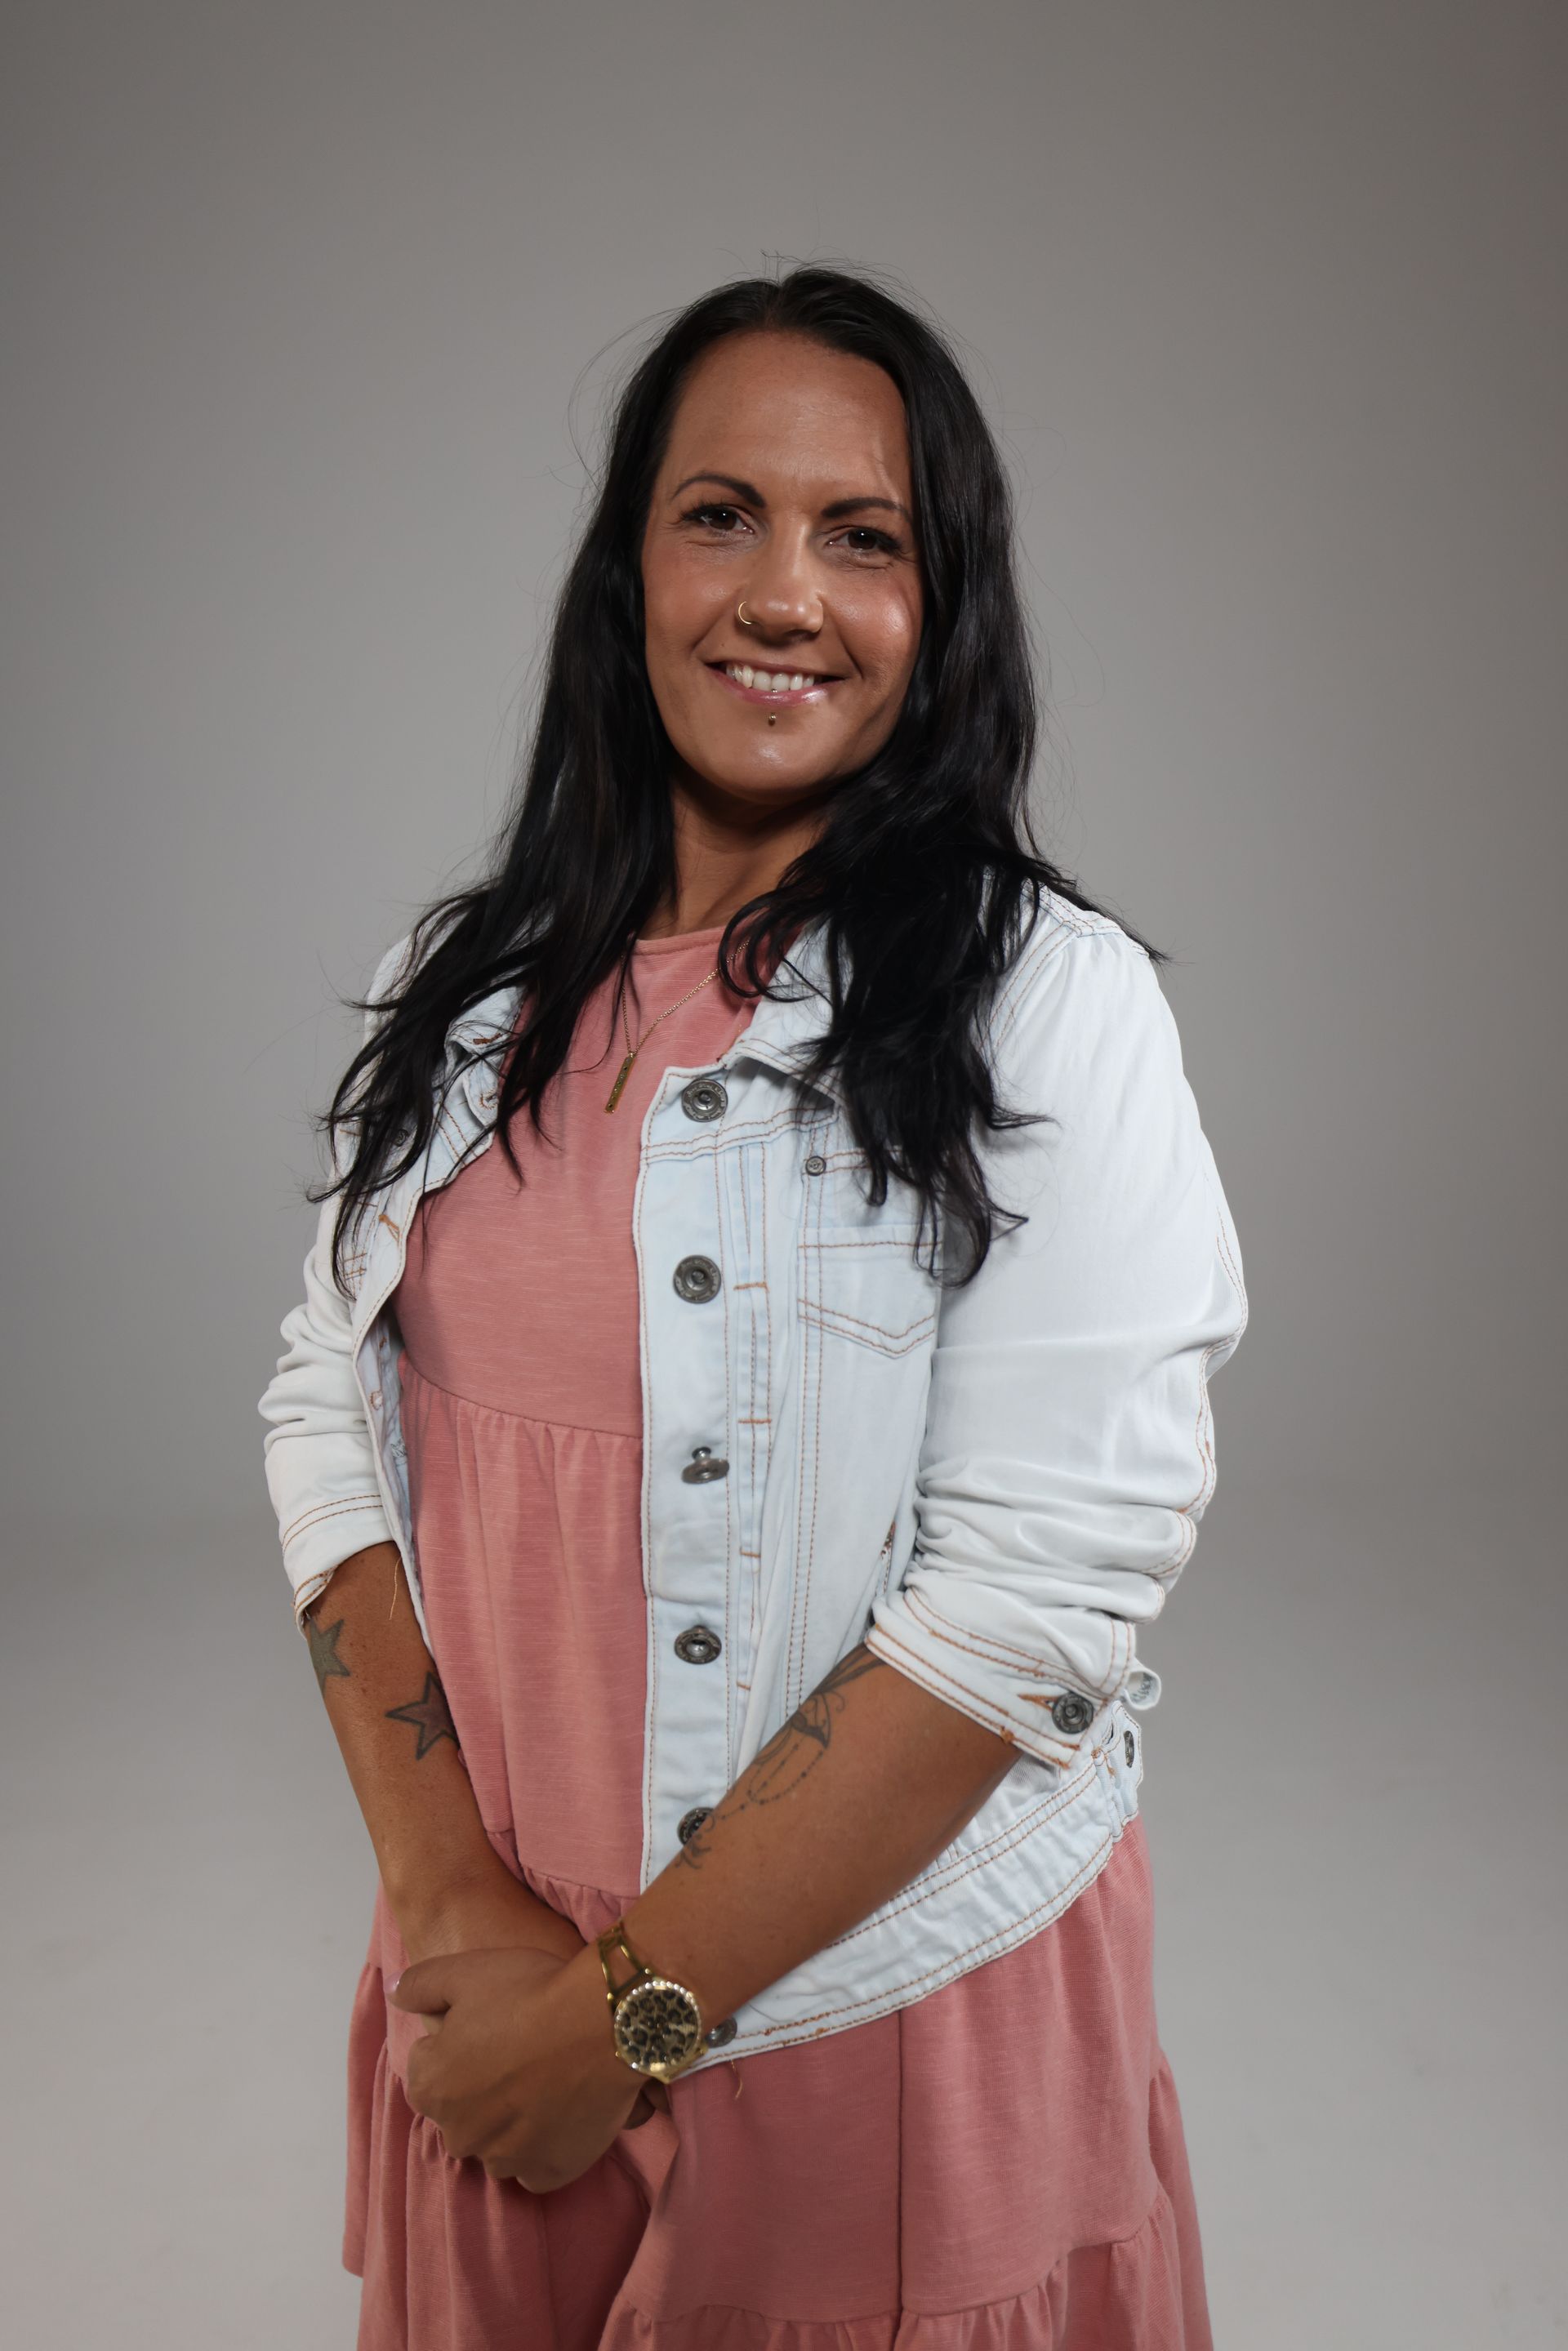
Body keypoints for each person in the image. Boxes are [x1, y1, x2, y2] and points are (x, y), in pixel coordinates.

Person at [258, 264, 1248, 2349]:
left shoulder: (1047, 1000)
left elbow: (1037, 1591)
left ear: (939, 605)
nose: (784, 594)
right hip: (503, 2013)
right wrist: (459, 1924)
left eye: (861, 537)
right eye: (721, 514)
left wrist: (631, 2019)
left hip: (867, 2019)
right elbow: (324, 1423)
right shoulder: (462, 987)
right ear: (627, 564)